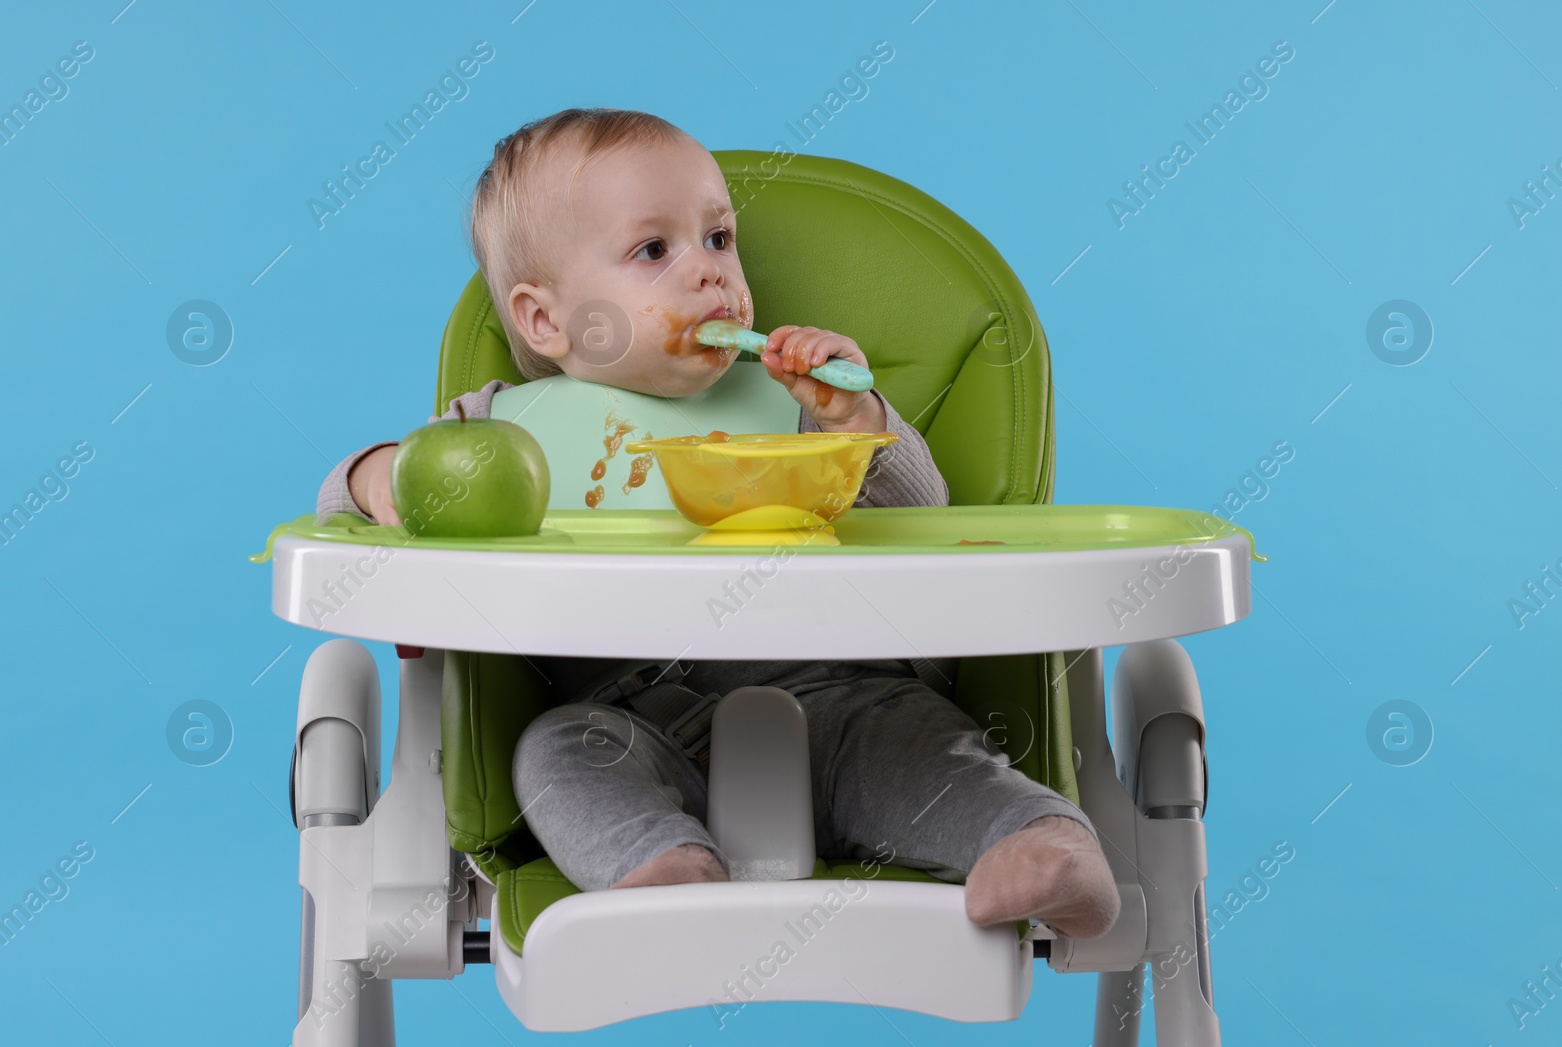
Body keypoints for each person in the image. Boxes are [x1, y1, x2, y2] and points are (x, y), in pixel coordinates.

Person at [315, 108, 1119, 940]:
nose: (710, 273)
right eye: (653, 251)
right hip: (629, 717)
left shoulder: (795, 402)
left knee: (927, 747)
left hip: (842, 697)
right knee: (552, 754)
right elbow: (342, 505)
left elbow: (922, 520)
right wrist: (389, 478)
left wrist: (856, 421)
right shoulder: (500, 433)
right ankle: (662, 863)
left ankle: (1041, 842)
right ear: (546, 321)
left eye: (720, 239)